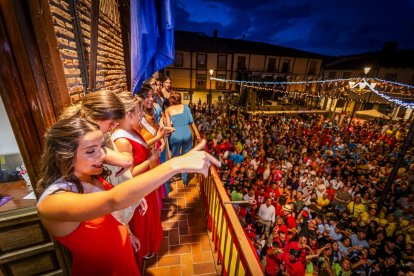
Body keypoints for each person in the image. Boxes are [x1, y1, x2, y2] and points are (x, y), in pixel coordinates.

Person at [36, 115, 219, 275]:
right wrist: (175, 165)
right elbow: (112, 200)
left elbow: (111, 213)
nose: (101, 156)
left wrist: (127, 231)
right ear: (63, 155)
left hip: (123, 260)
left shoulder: (90, 175)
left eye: (101, 147)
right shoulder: (52, 203)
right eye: (91, 151)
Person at [112, 92, 163, 266]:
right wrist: (151, 159)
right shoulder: (121, 141)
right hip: (138, 185)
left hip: (144, 182)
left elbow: (140, 147)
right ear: (129, 114)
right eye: (139, 110)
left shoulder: (130, 131)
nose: (142, 113)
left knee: (150, 218)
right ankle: (142, 251)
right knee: (143, 220)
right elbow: (130, 172)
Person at [165, 91, 200, 185]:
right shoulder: (186, 107)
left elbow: (169, 127)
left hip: (176, 133)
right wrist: (197, 135)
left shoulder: (168, 110)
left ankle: (174, 174)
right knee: (186, 156)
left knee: (175, 155)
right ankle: (184, 179)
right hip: (187, 133)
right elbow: (192, 122)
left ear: (171, 100)